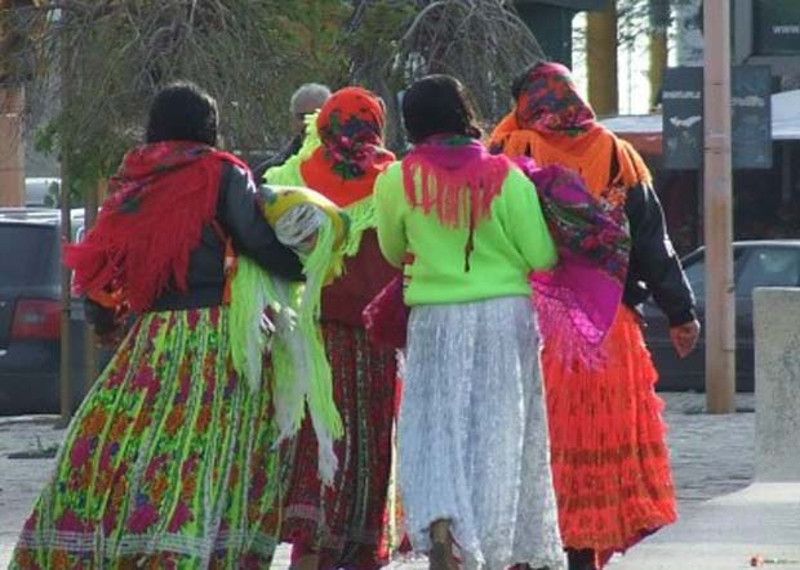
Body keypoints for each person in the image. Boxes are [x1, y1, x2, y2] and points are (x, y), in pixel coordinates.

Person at [11, 82, 305, 569]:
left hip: (153, 339)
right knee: (209, 449)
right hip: (216, 337)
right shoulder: (221, 172)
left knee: (133, 440)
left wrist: (104, 320)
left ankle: (117, 545)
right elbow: (254, 236)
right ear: (207, 125)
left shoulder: (135, 178)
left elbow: (102, 260)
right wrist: (302, 266)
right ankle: (195, 548)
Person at [489, 62, 700, 570]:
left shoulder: (509, 154)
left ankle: (529, 549)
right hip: (606, 330)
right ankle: (583, 554)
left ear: (526, 105)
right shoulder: (616, 154)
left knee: (534, 445)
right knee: (595, 446)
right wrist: (681, 311)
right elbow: (653, 241)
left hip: (531, 324)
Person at [374, 74, 566, 570]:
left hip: (435, 319)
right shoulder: (508, 175)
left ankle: (443, 525)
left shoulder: (399, 177)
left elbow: (394, 251)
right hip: (505, 317)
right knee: (496, 432)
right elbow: (541, 254)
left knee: (436, 428)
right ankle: (486, 542)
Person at [265, 86, 401, 570]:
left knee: (319, 443)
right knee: (368, 447)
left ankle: (311, 548)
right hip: (377, 342)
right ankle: (360, 550)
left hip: (312, 337)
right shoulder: (393, 181)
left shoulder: (289, 177)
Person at [252, 83, 332, 180]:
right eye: (302, 117)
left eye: (315, 115)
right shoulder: (269, 173)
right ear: (292, 120)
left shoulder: (350, 170)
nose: (308, 122)